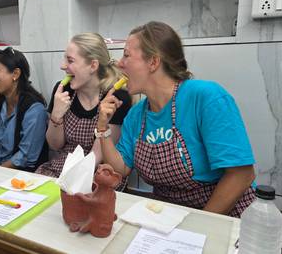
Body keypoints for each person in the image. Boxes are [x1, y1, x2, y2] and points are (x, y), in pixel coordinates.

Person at [97, 21, 256, 217]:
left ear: (153, 62)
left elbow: (241, 175)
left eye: (127, 55)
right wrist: (102, 127)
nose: (119, 63)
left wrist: (200, 226)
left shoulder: (206, 97)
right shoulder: (136, 115)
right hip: (168, 215)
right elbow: (120, 169)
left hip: (224, 215)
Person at [35, 33, 131, 190]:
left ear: (93, 65)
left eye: (70, 60)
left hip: (97, 176)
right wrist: (56, 115)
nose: (62, 65)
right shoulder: (64, 90)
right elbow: (55, 145)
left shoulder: (117, 97)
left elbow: (95, 158)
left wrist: (64, 187)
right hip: (61, 167)